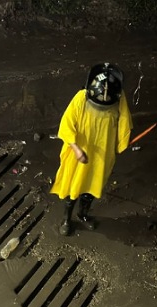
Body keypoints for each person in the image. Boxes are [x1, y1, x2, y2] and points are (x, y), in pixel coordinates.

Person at [50, 62, 133, 236]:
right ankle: (66, 219)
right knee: (73, 187)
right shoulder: (81, 98)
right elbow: (66, 125)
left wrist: (120, 144)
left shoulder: (118, 98)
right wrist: (76, 149)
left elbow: (124, 121)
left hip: (102, 154)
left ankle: (83, 214)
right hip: (79, 153)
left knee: (92, 187)